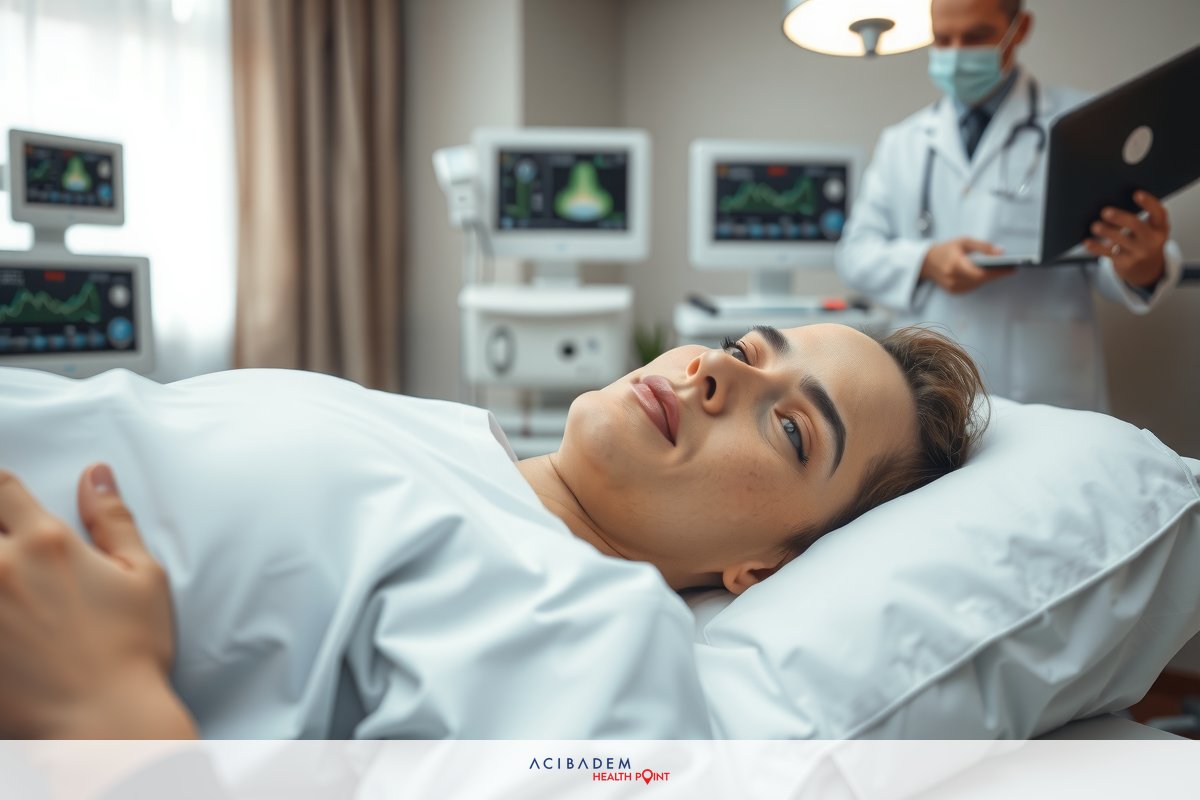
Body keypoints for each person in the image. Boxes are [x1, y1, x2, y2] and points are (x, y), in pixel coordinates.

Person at [0, 323, 985, 739]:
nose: (715, 373)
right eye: (739, 348)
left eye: (790, 425)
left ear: (766, 563)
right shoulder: (439, 438)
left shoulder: (597, 637)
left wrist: (109, 715)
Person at [836, 0, 1183, 412]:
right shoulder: (904, 142)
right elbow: (854, 255)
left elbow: (1113, 258)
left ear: (1019, 30)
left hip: (1043, 389)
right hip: (929, 389)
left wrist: (1142, 267)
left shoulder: (1086, 123)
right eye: (943, 39)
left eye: (976, 36)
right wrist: (927, 261)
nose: (957, 53)